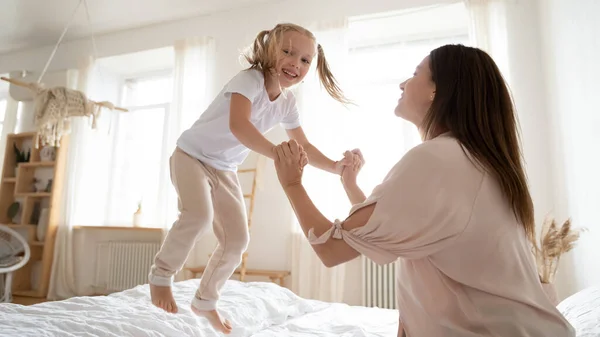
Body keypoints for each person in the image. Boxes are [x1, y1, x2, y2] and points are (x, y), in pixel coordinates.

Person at [272, 44, 576, 336]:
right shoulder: (472, 159)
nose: (403, 83)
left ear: (436, 91)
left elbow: (331, 249)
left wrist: (292, 183)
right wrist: (350, 185)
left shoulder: (436, 159)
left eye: (415, 73)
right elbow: (383, 232)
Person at [148, 23, 356, 334]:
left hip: (223, 168)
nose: (296, 64)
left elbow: (305, 146)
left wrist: (336, 167)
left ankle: (205, 301)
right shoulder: (249, 80)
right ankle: (161, 277)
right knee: (199, 215)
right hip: (191, 155)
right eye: (288, 52)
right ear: (269, 50)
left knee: (237, 239)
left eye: (305, 60)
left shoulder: (287, 102)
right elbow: (239, 126)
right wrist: (278, 155)